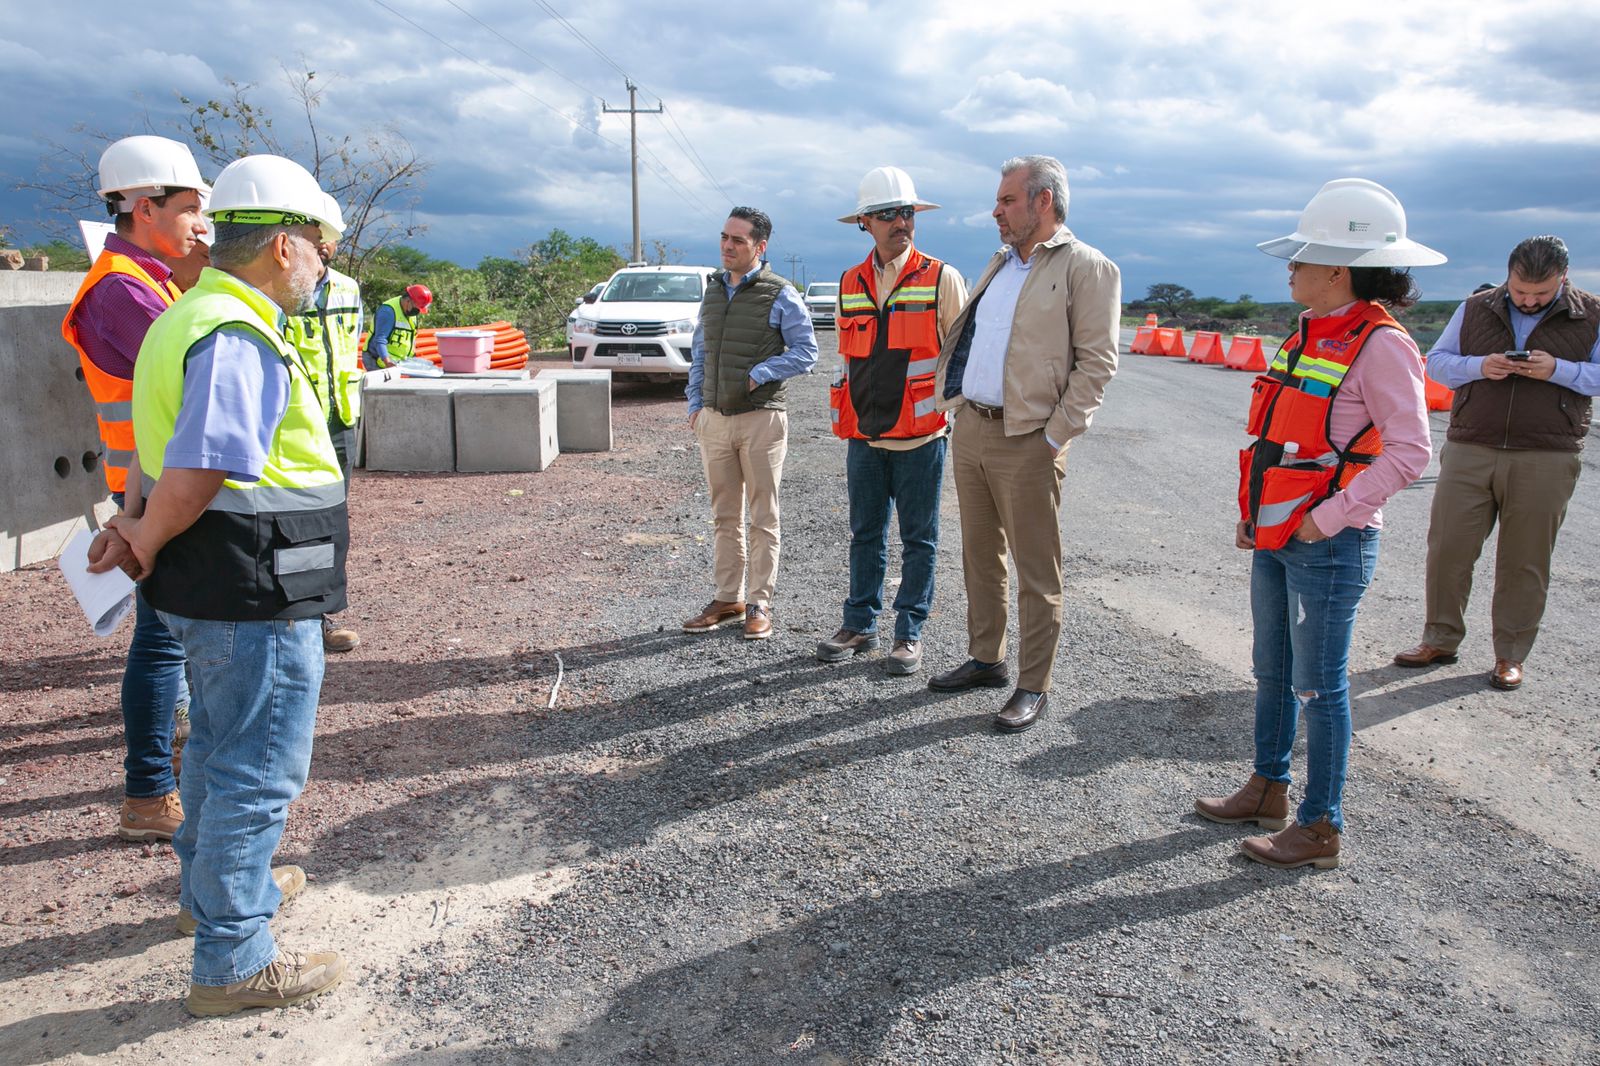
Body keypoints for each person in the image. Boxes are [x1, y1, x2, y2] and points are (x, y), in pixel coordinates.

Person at [88, 153, 348, 1015]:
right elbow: (199, 466)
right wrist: (146, 537)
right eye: (317, 246)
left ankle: (214, 901)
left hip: (211, 583)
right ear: (283, 247)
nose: (322, 264)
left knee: (215, 748)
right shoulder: (236, 330)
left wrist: (136, 530)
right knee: (255, 765)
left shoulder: (187, 312)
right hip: (250, 587)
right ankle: (234, 957)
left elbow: (154, 450)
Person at [1196, 178, 1443, 870]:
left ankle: (1320, 826)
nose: (1291, 269)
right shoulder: (1310, 331)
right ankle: (1267, 787)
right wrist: (1256, 517)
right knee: (1271, 669)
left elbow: (1410, 453)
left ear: (1338, 270)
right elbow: (1281, 438)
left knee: (1319, 687)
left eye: (1302, 259)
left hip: (1331, 545)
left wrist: (1326, 520)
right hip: (1280, 537)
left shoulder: (1384, 346)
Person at [927, 155, 1121, 732]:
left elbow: (1097, 364)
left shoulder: (1088, 267)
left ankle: (1033, 684)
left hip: (1029, 439)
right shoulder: (999, 264)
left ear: (1043, 202)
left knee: (1038, 569)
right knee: (979, 554)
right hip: (973, 428)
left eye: (1007, 200)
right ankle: (987, 658)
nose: (996, 210)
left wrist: (1053, 437)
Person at [60, 135, 208, 843]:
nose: (200, 224)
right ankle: (150, 791)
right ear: (145, 208)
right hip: (149, 491)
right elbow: (193, 373)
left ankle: (157, 782)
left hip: (158, 483)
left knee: (165, 639)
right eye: (188, 208)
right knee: (160, 643)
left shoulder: (149, 278)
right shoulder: (121, 289)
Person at [1393, 236, 1600, 690]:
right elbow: (1438, 364)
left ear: (1563, 279)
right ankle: (1439, 639)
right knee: (1448, 548)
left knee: (1524, 561)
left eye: (1540, 295)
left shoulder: (1593, 313)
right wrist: (1480, 365)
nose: (1527, 301)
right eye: (1520, 290)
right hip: (1472, 446)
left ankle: (1510, 655)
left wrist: (1558, 370)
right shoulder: (1475, 307)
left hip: (1547, 455)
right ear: (1508, 274)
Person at [818, 166, 967, 675]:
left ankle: (909, 632)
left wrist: (956, 421)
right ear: (866, 222)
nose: (900, 222)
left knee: (919, 539)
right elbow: (849, 356)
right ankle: (859, 623)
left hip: (922, 437)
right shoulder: (849, 281)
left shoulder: (941, 277)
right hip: (863, 434)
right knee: (864, 533)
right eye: (887, 214)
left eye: (906, 212)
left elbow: (960, 355)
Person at [682, 207, 818, 639]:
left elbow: (806, 352)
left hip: (762, 419)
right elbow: (701, 352)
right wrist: (695, 405)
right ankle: (728, 597)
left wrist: (759, 374)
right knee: (724, 516)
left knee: (763, 516)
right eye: (724, 237)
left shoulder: (780, 293)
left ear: (759, 247)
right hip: (715, 420)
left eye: (738, 240)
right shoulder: (712, 291)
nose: (727, 245)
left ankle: (759, 602)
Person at [286, 193, 364, 653]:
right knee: (298, 525)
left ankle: (320, 614)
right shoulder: (282, 294)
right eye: (317, 239)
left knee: (332, 524)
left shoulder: (348, 291)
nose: (325, 247)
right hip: (298, 425)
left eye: (329, 240)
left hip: (340, 422)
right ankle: (296, 617)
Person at [365, 283, 431, 368]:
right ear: (408, 301)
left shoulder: (411, 314)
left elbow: (411, 338)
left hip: (399, 362)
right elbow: (380, 340)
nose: (417, 311)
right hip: (377, 361)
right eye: (417, 308)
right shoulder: (388, 312)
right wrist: (387, 362)